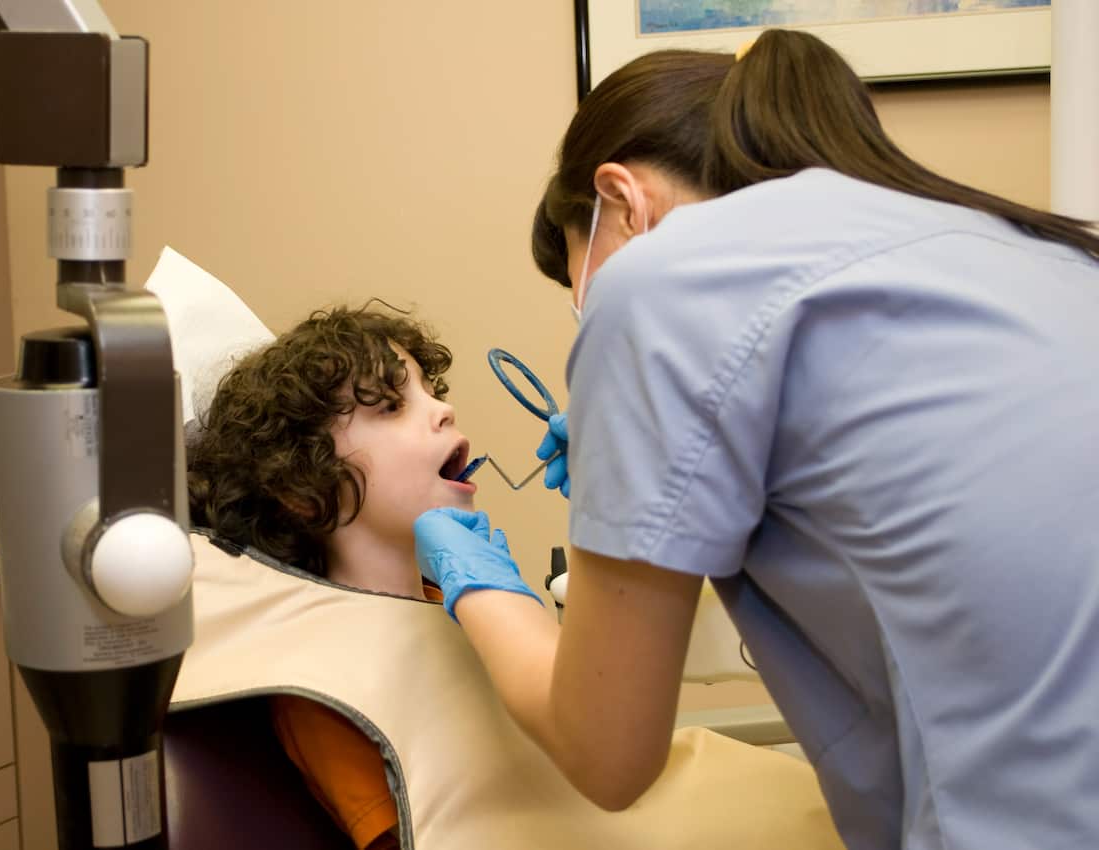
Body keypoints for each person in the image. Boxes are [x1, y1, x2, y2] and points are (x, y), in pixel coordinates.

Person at [412, 29, 1099, 850]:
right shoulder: (1016, 245)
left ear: (621, 200)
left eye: (578, 280)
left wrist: (486, 586)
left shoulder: (656, 285)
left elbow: (607, 756)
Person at [187, 303, 521, 850]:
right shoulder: (323, 685)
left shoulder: (455, 601)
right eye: (391, 405)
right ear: (300, 486)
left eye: (431, 391)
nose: (445, 409)